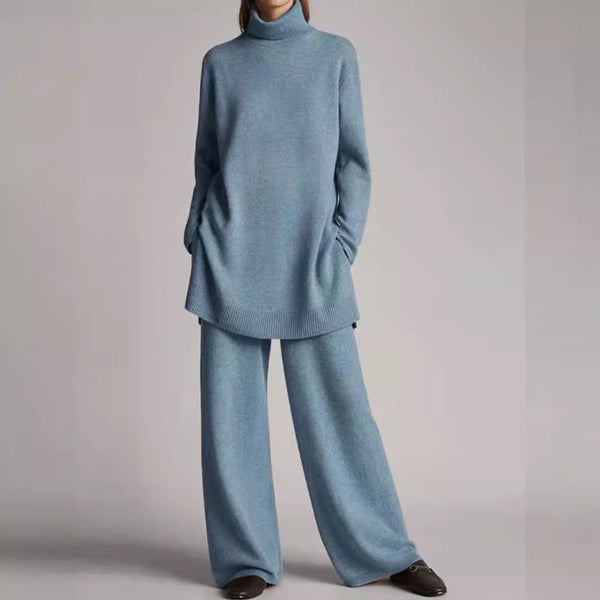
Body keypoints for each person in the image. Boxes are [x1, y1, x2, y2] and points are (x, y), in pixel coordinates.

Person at [183, 1, 447, 597]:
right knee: (230, 422)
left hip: (312, 259)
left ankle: (386, 550)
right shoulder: (220, 63)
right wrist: (199, 233)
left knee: (341, 414)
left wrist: (342, 245)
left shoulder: (334, 56)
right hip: (230, 257)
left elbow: (354, 163)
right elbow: (207, 160)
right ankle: (245, 561)